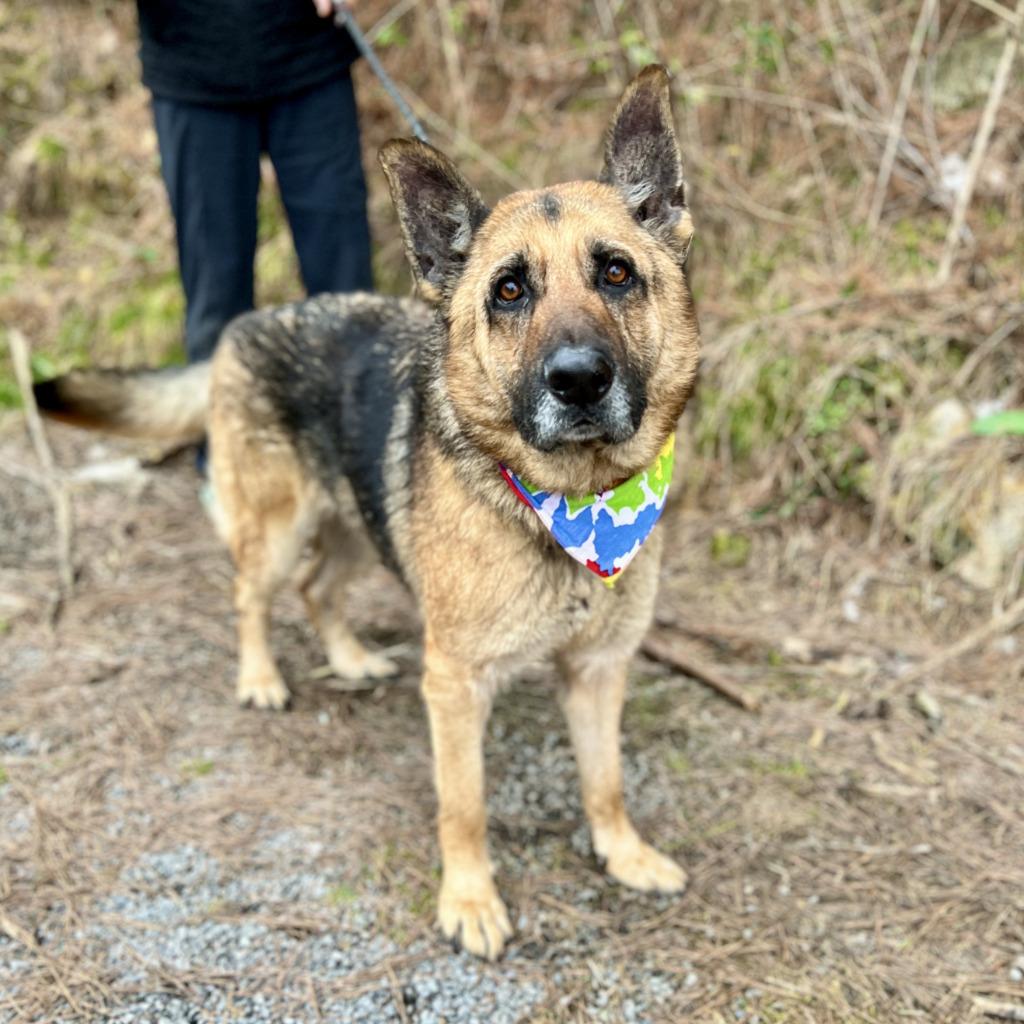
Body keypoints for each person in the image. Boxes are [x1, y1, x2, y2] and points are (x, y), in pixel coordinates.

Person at [136, 0, 373, 467]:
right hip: (192, 70)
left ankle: (365, 457)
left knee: (347, 290)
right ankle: (226, 468)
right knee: (216, 297)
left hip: (310, 59)